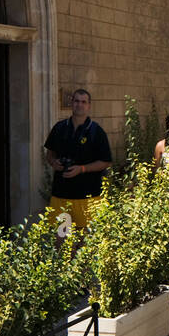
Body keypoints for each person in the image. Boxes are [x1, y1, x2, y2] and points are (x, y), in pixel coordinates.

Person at [45, 89, 113, 231]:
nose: (79, 105)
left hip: (88, 197)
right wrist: (54, 163)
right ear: (72, 103)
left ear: (89, 106)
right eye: (76, 101)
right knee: (61, 241)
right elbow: (49, 154)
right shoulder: (59, 128)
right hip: (61, 195)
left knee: (84, 245)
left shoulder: (96, 131)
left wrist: (82, 169)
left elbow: (105, 161)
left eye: (83, 102)